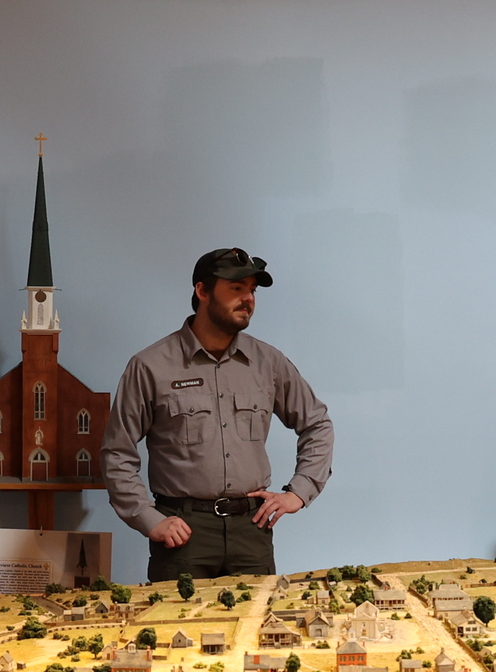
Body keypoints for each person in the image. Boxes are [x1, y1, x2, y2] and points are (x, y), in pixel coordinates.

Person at [101, 247, 333, 582]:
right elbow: (116, 452)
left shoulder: (268, 362)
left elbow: (317, 423)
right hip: (184, 536)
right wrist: (149, 519)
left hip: (252, 533)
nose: (248, 298)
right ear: (202, 291)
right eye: (236, 288)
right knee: (176, 615)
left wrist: (299, 491)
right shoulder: (150, 366)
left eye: (252, 290)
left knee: (258, 615)